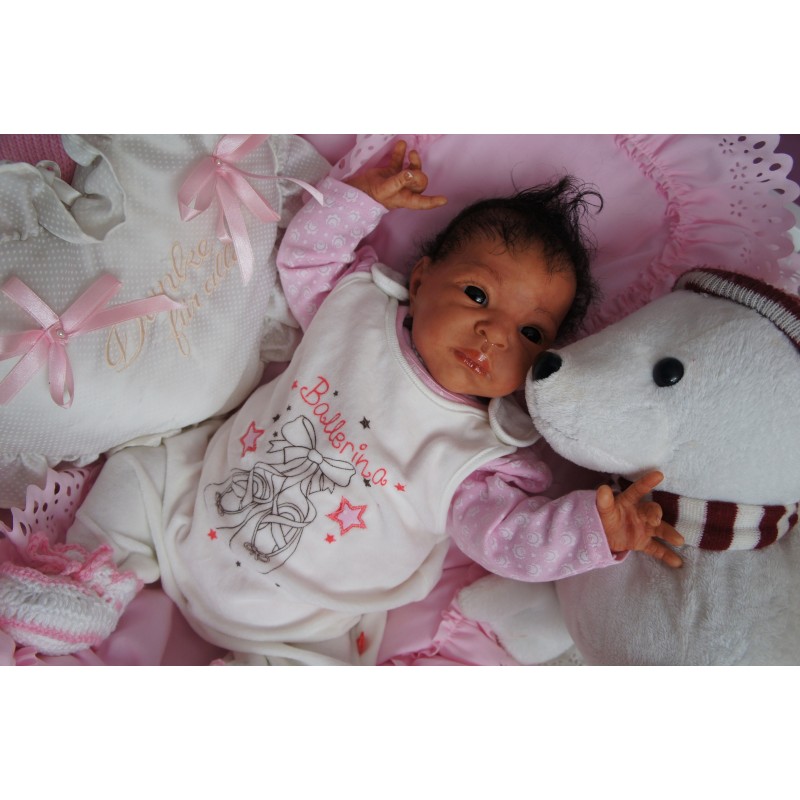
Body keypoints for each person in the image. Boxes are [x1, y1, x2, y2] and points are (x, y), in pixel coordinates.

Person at [0, 142, 683, 665]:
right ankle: (86, 585)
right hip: (190, 503)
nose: (494, 334)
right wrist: (359, 200)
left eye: (530, 334)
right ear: (422, 277)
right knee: (137, 471)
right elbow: (304, 257)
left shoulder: (483, 453)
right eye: (478, 295)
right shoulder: (358, 307)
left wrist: (594, 532)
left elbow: (506, 539)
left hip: (303, 621)